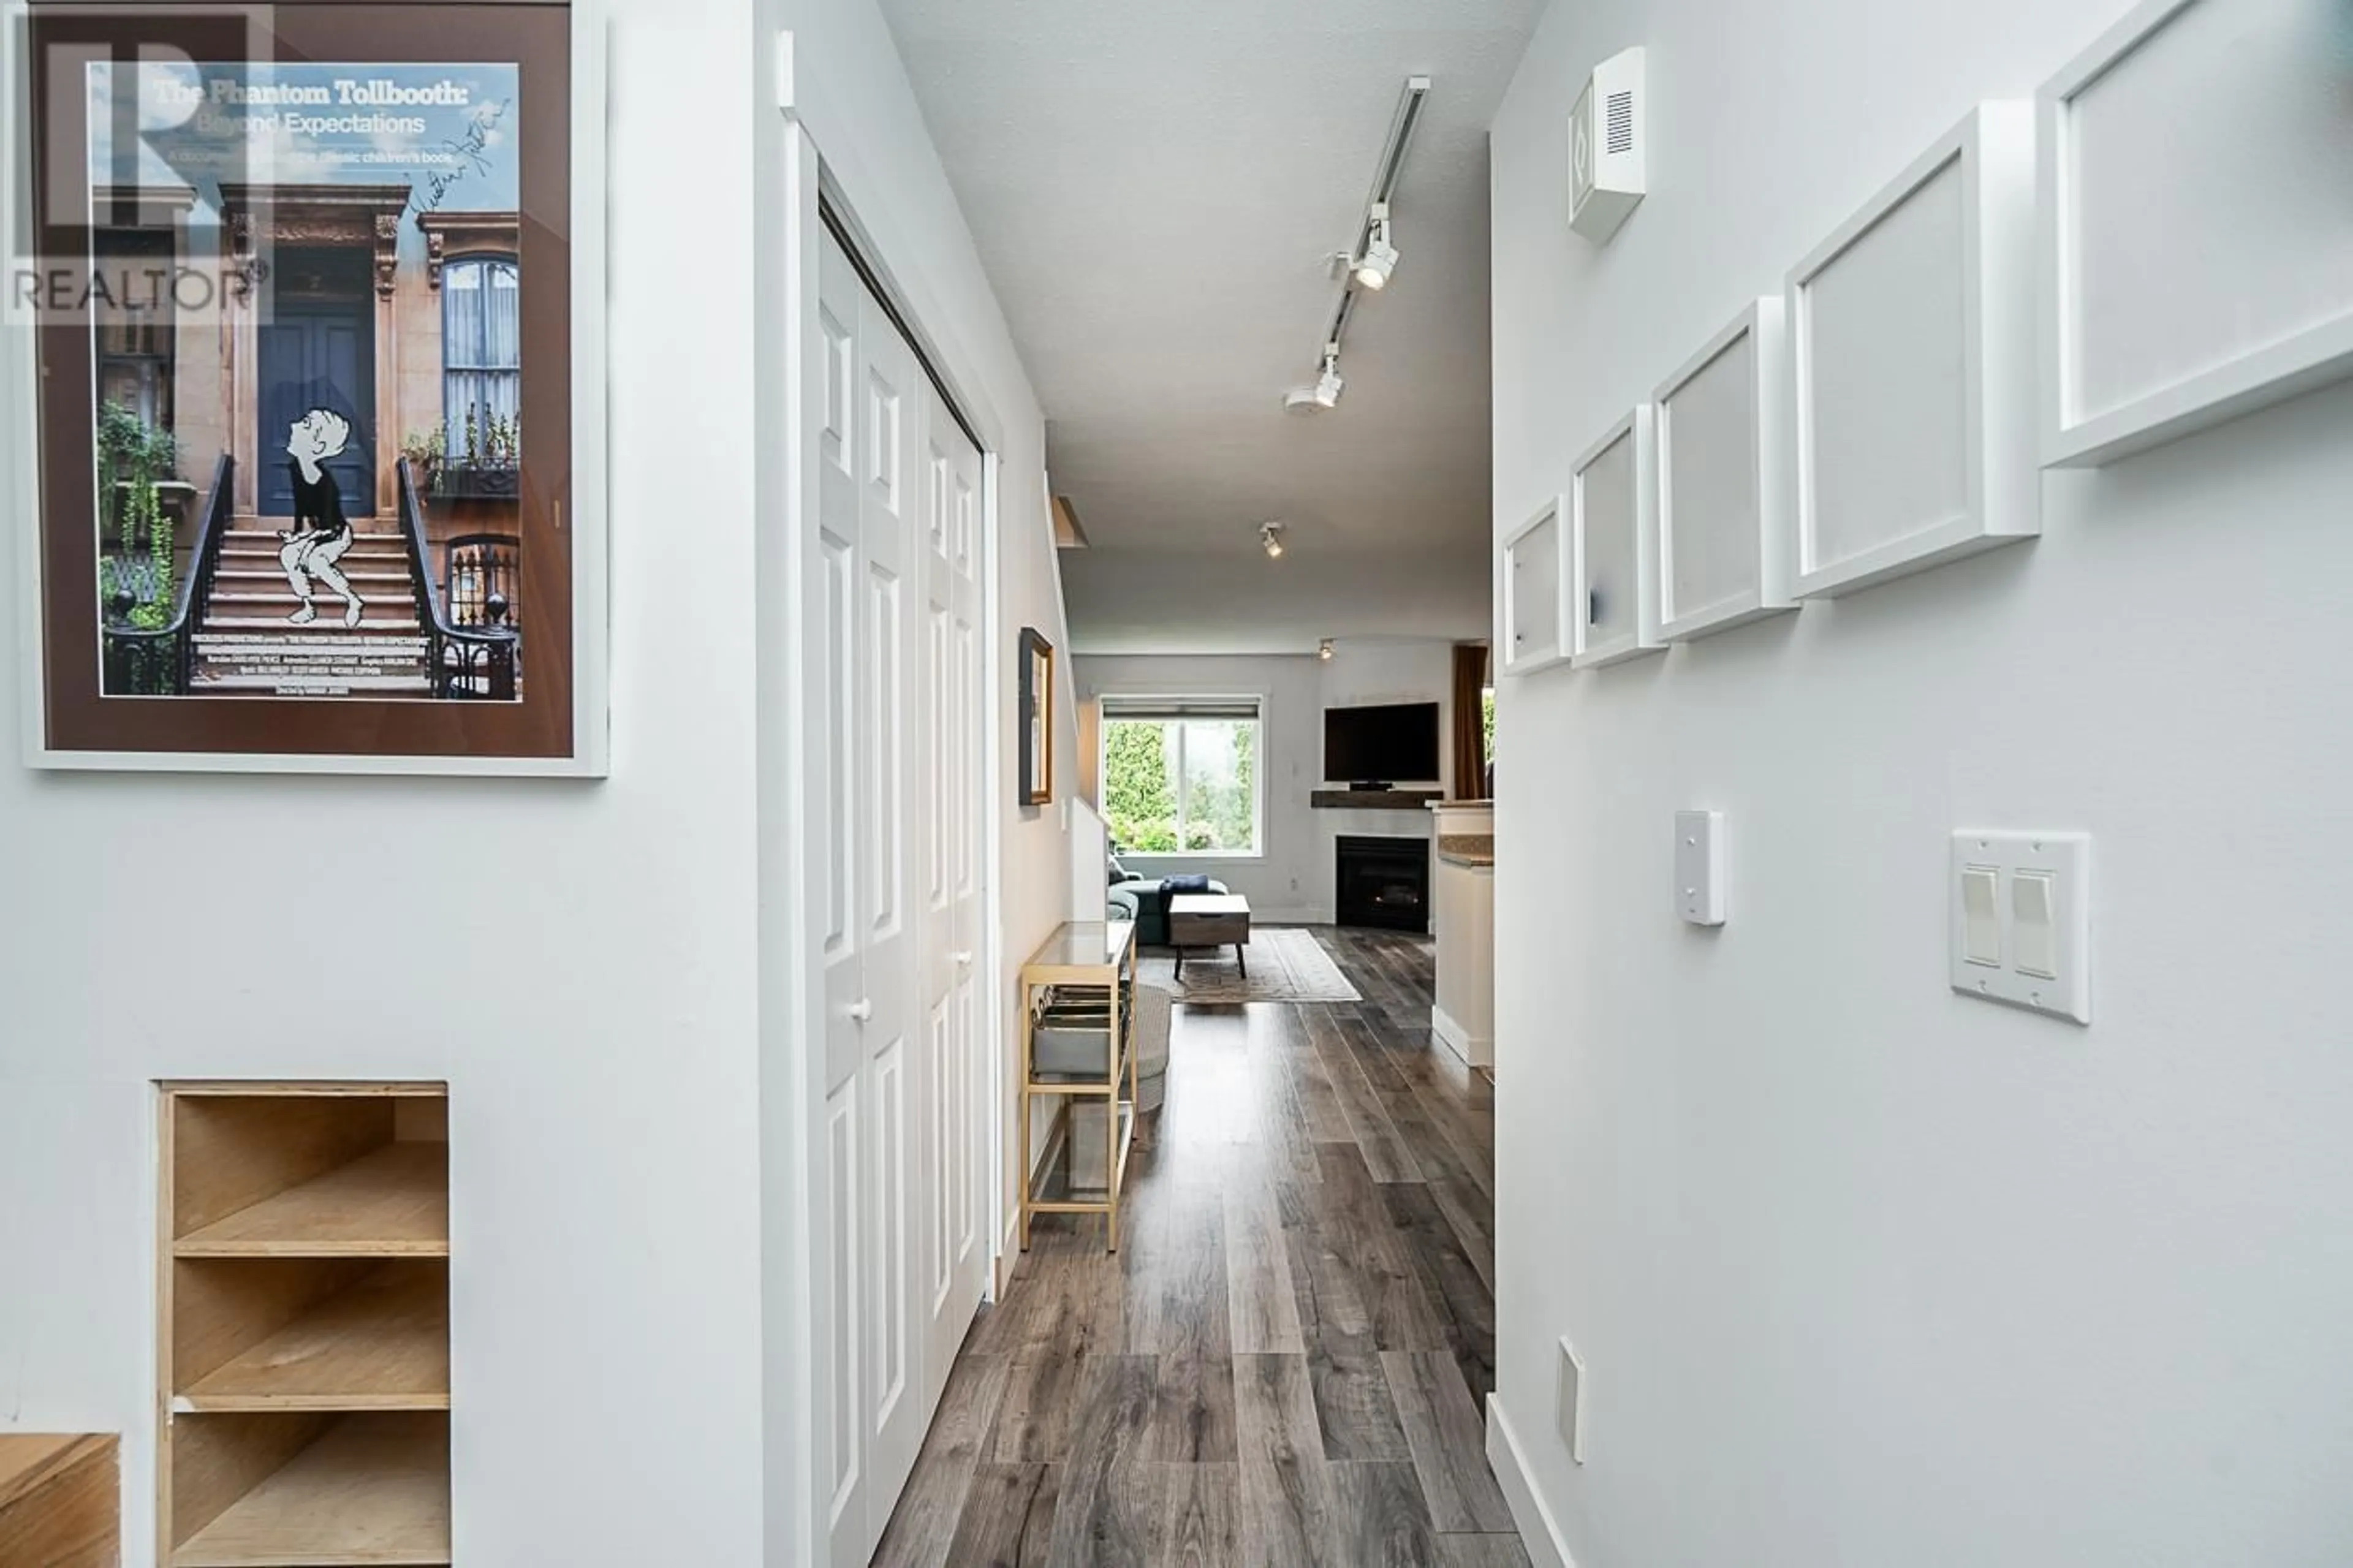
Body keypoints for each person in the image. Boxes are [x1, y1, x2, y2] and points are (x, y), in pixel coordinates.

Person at [279, 407, 365, 627]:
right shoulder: (295, 469)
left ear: (318, 447)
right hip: (317, 532)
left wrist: (304, 542)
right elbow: (300, 506)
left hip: (337, 533)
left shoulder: (326, 483)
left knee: (315, 560)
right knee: (289, 555)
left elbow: (329, 527)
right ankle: (308, 607)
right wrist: (296, 534)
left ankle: (353, 600)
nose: (293, 426)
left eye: (305, 425)